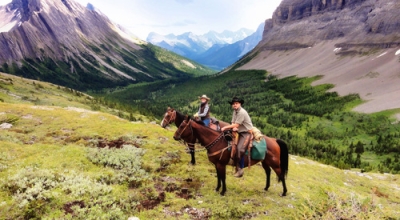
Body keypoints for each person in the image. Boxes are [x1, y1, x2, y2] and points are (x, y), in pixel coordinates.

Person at [221, 97, 253, 178]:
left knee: (240, 149)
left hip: (246, 132)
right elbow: (233, 122)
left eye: (236, 103)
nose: (235, 105)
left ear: (240, 104)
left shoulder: (241, 112)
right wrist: (233, 128)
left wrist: (226, 127)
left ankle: (240, 169)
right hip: (239, 130)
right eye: (233, 103)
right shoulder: (235, 111)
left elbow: (237, 124)